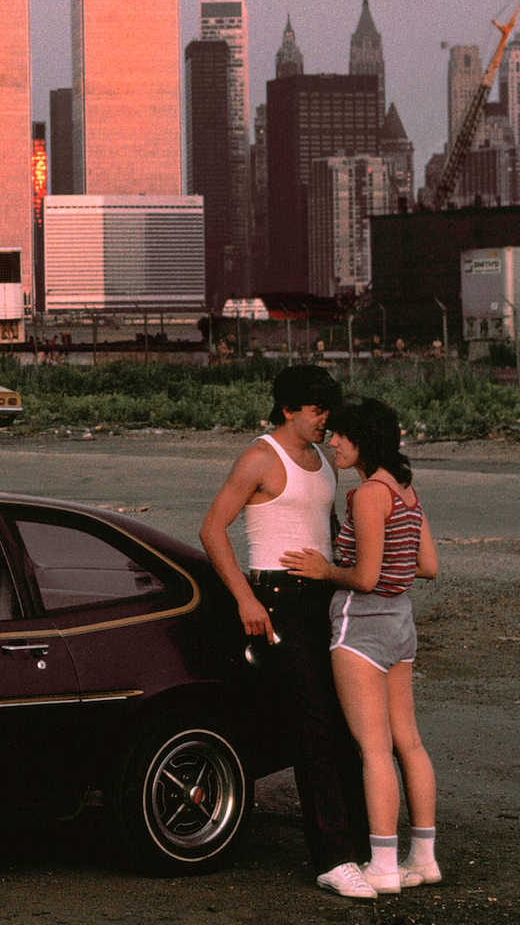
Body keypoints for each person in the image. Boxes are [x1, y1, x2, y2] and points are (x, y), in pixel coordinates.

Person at [198, 364, 372, 899]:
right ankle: (333, 859)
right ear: (290, 409)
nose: (326, 422)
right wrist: (246, 599)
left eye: (328, 412)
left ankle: (365, 851)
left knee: (348, 720)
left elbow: (326, 530)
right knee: (312, 723)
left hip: (324, 595)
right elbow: (211, 528)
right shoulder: (259, 458)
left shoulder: (323, 460)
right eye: (318, 411)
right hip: (276, 598)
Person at [280, 398, 440, 893]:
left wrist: (325, 570)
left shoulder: (369, 495)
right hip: (401, 625)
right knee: (408, 743)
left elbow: (365, 577)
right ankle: (424, 859)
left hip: (363, 628)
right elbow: (429, 565)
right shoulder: (406, 490)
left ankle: (385, 866)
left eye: (340, 436)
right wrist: (390, 560)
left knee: (373, 749)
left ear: (362, 439)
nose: (332, 443)